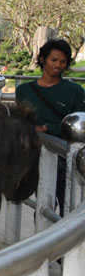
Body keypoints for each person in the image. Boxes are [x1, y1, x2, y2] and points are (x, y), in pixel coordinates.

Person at [16, 39, 85, 213]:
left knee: (68, 205)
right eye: (54, 60)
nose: (58, 65)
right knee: (44, 205)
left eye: (63, 61)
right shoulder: (24, 91)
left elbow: (82, 125)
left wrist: (47, 128)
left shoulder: (75, 91)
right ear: (43, 60)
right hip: (35, 155)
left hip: (66, 156)